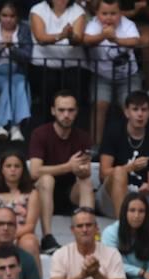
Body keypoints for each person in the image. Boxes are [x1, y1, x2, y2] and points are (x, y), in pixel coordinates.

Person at [27, 91, 95, 255]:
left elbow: (85, 172)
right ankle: (47, 238)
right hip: (43, 193)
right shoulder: (40, 134)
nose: (66, 115)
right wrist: (68, 166)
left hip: (70, 194)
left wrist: (82, 170)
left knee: (86, 182)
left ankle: (89, 236)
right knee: (46, 179)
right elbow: (35, 171)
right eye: (61, 110)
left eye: (70, 110)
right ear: (53, 111)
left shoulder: (83, 137)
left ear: (76, 112)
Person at [82, 0, 142, 146]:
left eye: (113, 13)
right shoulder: (93, 24)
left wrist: (115, 39)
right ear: (97, 13)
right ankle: (96, 146)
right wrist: (103, 36)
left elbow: (135, 41)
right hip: (102, 76)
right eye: (104, 13)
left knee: (132, 107)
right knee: (100, 105)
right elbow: (86, 40)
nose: (109, 17)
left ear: (120, 13)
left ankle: (132, 145)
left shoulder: (128, 24)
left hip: (129, 76)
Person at [97, 91, 149, 219]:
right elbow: (103, 174)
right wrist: (130, 167)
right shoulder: (114, 131)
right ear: (127, 112)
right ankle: (122, 224)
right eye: (135, 109)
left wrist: (148, 187)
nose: (140, 114)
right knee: (119, 172)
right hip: (110, 194)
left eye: (144, 110)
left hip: (140, 195)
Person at [0, 0, 33, 144]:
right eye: (4, 15)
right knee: (8, 85)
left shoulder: (24, 28)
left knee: (21, 84)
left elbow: (27, 55)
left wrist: (12, 48)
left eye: (12, 16)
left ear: (18, 17)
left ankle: (15, 127)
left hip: (16, 71)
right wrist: (0, 47)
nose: (8, 19)